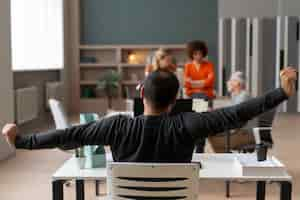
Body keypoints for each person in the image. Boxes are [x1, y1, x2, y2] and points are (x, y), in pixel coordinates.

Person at [2, 68, 297, 163]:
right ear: (174, 101)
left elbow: (67, 136)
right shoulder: (188, 123)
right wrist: (281, 92)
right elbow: (236, 114)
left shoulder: (116, 127)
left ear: (141, 95)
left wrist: (22, 141)